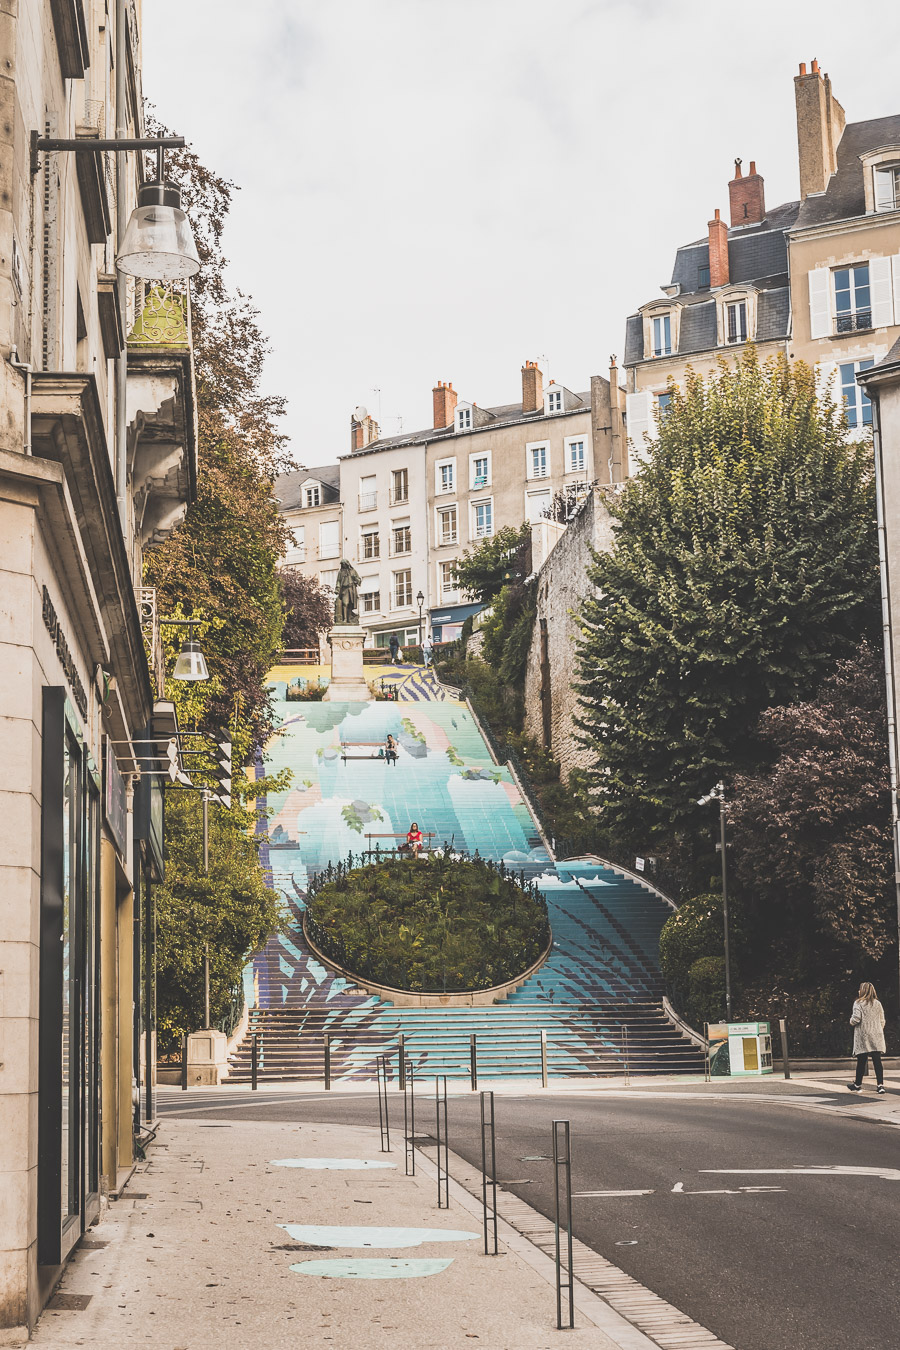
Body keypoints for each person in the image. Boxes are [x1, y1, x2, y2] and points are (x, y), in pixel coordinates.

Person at [847, 981, 887, 1094]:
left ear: (863, 991)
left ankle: (858, 1084)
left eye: (860, 989)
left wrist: (850, 1021)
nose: (858, 991)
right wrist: (877, 1029)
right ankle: (880, 1085)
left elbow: (856, 1019)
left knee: (862, 1060)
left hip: (863, 1035)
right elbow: (882, 1020)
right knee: (877, 1060)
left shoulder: (858, 1003)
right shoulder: (878, 1003)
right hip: (876, 1034)